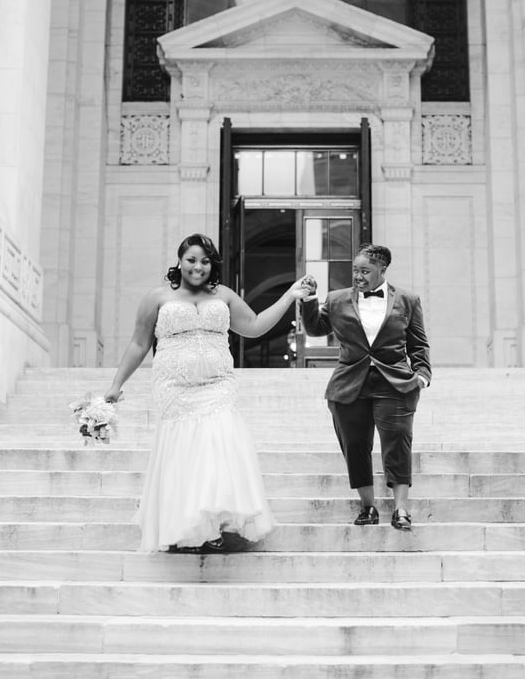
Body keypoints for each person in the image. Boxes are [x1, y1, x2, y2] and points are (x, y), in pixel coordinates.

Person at [104, 233, 310, 553]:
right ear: (180, 261)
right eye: (191, 260)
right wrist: (115, 386)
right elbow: (139, 343)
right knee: (184, 453)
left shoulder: (224, 295)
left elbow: (254, 325)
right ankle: (186, 526)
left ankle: (211, 523)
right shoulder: (157, 298)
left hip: (218, 386)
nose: (198, 267)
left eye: (204, 261)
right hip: (174, 388)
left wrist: (290, 295)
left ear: (212, 264)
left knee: (218, 444)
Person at [299, 243, 431, 532]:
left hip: (394, 382)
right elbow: (316, 329)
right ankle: (367, 506)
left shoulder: (408, 300)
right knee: (355, 445)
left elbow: (418, 344)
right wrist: (309, 299)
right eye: (355, 270)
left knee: (397, 443)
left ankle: (401, 509)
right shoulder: (337, 299)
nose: (358, 277)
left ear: (382, 270)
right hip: (350, 383)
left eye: (365, 271)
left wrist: (421, 376)